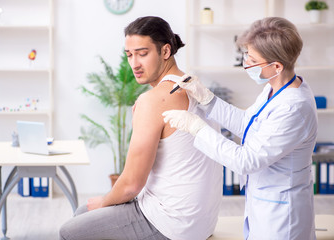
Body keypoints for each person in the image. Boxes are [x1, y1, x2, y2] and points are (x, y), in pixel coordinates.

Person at [60, 16, 223, 240]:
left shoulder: (153, 100)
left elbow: (132, 184)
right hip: (200, 222)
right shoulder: (194, 85)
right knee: (83, 213)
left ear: (165, 51)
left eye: (142, 53)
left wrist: (103, 201)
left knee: (69, 231)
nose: (134, 63)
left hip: (171, 224)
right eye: (129, 55)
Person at [163, 17, 318, 240]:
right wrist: (207, 99)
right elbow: (247, 123)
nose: (246, 62)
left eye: (253, 59)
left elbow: (246, 161)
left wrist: (196, 127)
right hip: (263, 204)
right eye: (247, 55)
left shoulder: (294, 107)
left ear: (276, 66)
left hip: (283, 219)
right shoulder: (275, 87)